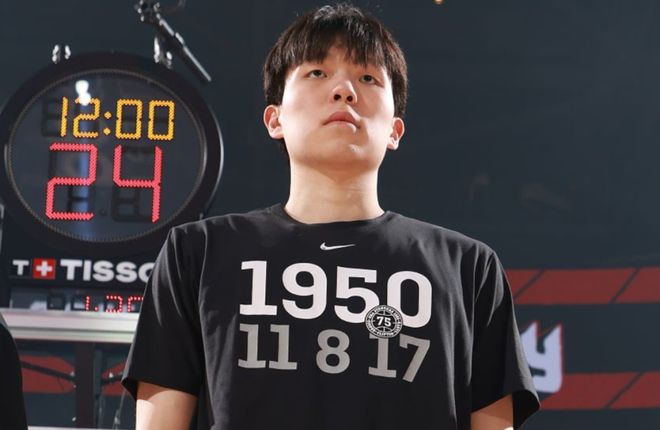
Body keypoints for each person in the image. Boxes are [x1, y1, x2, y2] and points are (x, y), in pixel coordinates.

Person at [122, 4, 540, 429]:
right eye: (317, 72)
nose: (344, 90)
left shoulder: (468, 269)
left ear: (395, 130)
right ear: (274, 119)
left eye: (368, 78)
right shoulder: (197, 254)